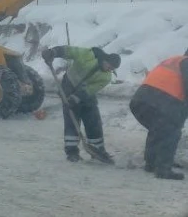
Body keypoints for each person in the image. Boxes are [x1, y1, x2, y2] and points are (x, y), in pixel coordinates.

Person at [42, 45, 120, 163]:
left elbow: (90, 89)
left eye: (112, 69)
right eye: (110, 66)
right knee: (72, 117)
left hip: (85, 92)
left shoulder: (106, 77)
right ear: (105, 60)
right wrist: (53, 52)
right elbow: (70, 51)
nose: (110, 70)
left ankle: (98, 148)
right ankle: (72, 151)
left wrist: (76, 98)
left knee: (93, 117)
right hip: (69, 84)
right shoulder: (88, 55)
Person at [129, 49, 188, 180]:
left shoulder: (174, 59)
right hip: (161, 99)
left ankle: (151, 163)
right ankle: (163, 168)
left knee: (159, 129)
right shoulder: (186, 62)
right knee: (172, 130)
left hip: (140, 100)